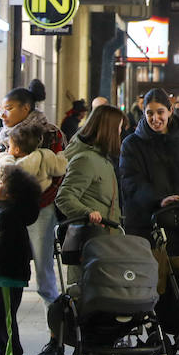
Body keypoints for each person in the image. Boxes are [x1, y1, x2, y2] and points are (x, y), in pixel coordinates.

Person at [0, 120, 67, 355]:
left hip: (27, 214)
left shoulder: (14, 163)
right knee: (45, 276)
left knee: (29, 280)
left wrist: (5, 159)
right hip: (42, 209)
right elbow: (62, 165)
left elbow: (7, 172)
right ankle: (55, 337)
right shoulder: (47, 155)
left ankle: (12, 348)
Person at [119, 88, 179, 239]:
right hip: (147, 225)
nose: (155, 118)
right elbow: (131, 181)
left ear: (169, 111)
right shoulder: (132, 144)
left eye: (160, 112)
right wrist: (158, 200)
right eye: (150, 113)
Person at [55, 104, 126, 283]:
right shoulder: (86, 159)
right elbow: (64, 197)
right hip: (89, 243)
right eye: (118, 128)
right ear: (108, 130)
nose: (119, 134)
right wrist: (87, 212)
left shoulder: (102, 159)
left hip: (105, 243)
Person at [0, 164, 41, 355]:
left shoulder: (7, 215)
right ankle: (2, 352)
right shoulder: (5, 212)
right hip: (1, 272)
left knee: (5, 317)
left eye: (0, 183)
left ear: (10, 193)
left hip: (6, 273)